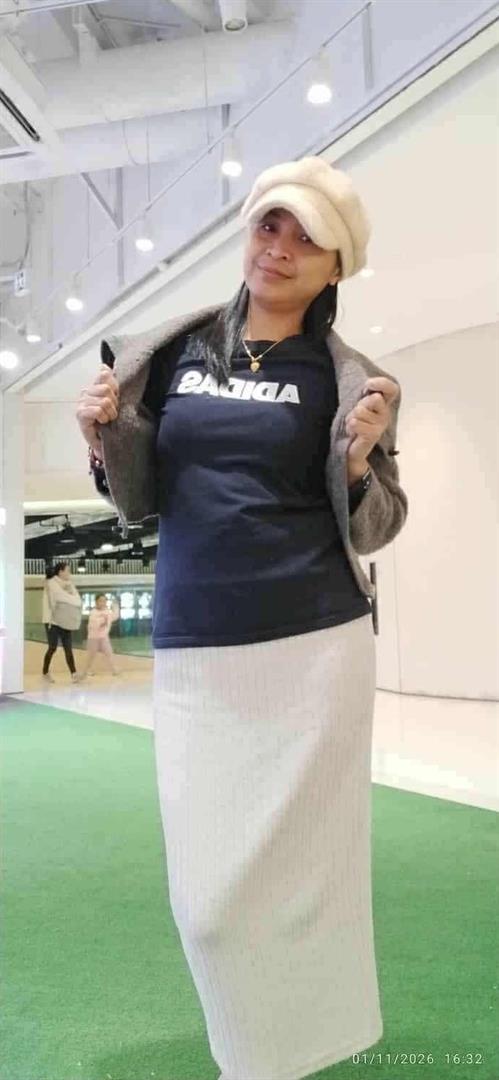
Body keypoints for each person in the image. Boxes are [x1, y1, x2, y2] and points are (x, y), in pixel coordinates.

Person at [76, 156, 409, 1080]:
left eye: (308, 238)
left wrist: (356, 466)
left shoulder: (356, 381)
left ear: (336, 267)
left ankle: (275, 1060)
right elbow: (139, 497)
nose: (281, 248)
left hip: (315, 642)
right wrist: (100, 441)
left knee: (308, 878)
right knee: (209, 903)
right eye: (270, 224)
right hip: (195, 645)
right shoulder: (169, 357)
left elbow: (380, 523)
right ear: (247, 232)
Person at [42, 561, 83, 683]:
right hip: (52, 621)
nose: (70, 573)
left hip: (66, 620)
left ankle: (74, 674)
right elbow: (60, 597)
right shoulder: (51, 583)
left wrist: (70, 598)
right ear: (60, 572)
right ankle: (45, 672)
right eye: (68, 570)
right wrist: (71, 598)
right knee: (52, 647)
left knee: (68, 648)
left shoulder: (70, 584)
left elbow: (78, 601)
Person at [81, 593, 120, 677]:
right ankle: (85, 671)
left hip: (104, 637)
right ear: (96, 602)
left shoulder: (107, 612)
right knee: (90, 656)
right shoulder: (93, 612)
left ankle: (114, 670)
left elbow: (115, 616)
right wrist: (103, 619)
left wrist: (115, 606)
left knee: (109, 653)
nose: (102, 603)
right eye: (100, 601)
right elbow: (94, 624)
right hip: (93, 638)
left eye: (104, 601)